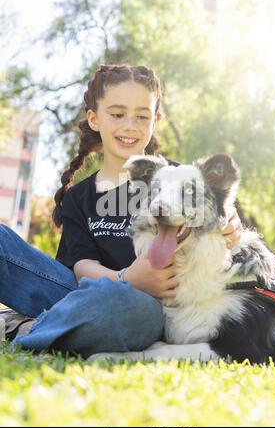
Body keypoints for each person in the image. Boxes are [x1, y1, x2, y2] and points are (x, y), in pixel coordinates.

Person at [0, 64, 242, 358]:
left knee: (129, 308)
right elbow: (80, 268)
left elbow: (223, 221)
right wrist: (128, 278)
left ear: (155, 121)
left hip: (149, 309)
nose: (130, 125)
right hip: (80, 293)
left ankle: (24, 330)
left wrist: (230, 226)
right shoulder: (80, 197)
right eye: (117, 114)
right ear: (94, 119)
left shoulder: (181, 178)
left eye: (142, 116)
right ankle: (55, 323)